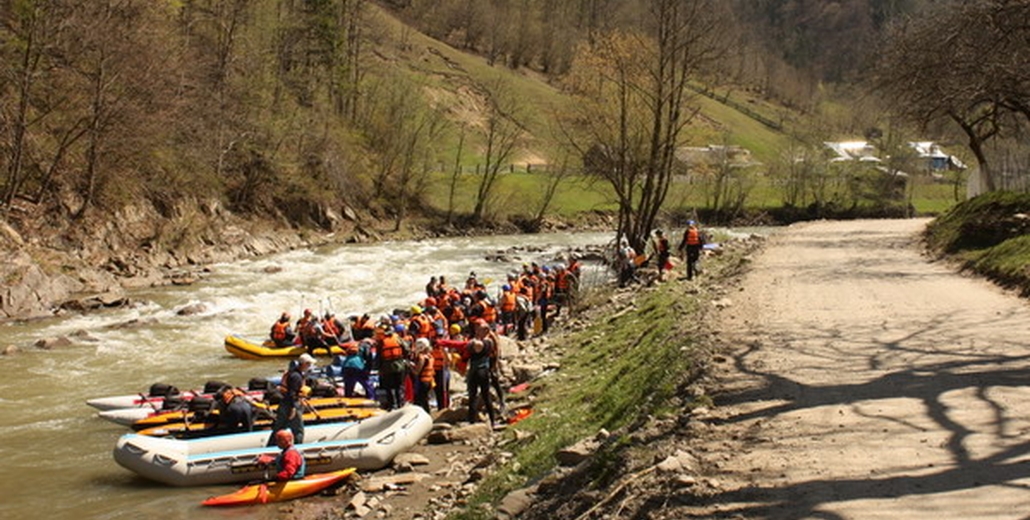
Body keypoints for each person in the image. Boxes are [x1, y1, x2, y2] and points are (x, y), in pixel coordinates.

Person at [267, 353, 315, 446]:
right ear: (304, 364)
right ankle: (297, 447)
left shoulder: (292, 373)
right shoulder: (296, 376)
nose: (309, 366)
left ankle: (270, 446)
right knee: (298, 430)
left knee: (279, 428)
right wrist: (293, 408)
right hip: (292, 405)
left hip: (284, 404)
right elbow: (292, 393)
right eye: (309, 364)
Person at [463, 339, 496, 426]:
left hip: (474, 373)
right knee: (486, 396)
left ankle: (471, 421)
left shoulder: (472, 352)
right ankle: (493, 420)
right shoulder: (487, 347)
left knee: (472, 397)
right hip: (484, 372)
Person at [377, 324, 409, 410]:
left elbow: (379, 357)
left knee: (389, 388)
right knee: (399, 386)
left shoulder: (381, 342)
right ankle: (400, 404)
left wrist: (379, 369)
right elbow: (406, 349)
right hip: (399, 365)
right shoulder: (398, 339)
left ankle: (392, 405)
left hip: (387, 367)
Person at [412, 338, 435, 413]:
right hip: (429, 381)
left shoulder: (422, 357)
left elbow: (417, 372)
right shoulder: (430, 356)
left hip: (422, 382)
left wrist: (410, 366)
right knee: (424, 400)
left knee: (420, 401)